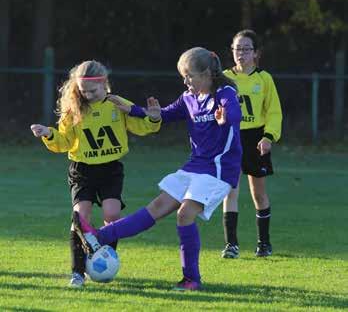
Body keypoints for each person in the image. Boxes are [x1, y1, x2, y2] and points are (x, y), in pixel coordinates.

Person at [72, 47, 242, 291]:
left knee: (184, 214)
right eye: (183, 77)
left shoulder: (225, 92)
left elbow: (234, 111)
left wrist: (227, 118)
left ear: (206, 73)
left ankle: (191, 279)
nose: (186, 82)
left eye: (190, 76)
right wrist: (134, 110)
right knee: (157, 207)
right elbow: (164, 114)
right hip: (195, 166)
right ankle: (97, 237)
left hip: (219, 169)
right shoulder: (188, 99)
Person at [30, 60, 161, 287]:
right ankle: (78, 272)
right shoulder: (74, 110)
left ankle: (104, 262)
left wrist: (154, 118)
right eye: (83, 91)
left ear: (104, 84)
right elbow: (64, 142)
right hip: (82, 170)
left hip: (111, 169)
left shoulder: (117, 104)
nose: (88, 95)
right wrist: (48, 134)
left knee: (112, 215)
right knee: (81, 217)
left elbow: (143, 126)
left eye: (93, 90)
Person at [221, 29, 282, 259]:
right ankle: (231, 245)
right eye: (238, 49)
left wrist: (269, 137)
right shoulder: (224, 77)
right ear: (232, 51)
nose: (242, 53)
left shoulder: (264, 78)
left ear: (256, 53)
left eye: (247, 49)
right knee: (230, 191)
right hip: (231, 136)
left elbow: (274, 111)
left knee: (258, 194)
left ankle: (264, 244)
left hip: (256, 138)